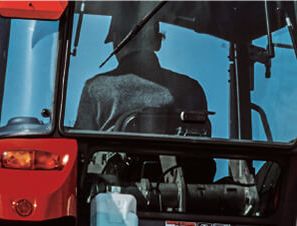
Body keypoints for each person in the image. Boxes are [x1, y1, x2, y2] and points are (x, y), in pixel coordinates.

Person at [73, 19, 210, 137]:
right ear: (158, 43)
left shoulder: (96, 88)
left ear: (116, 43)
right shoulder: (190, 88)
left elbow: (81, 150)